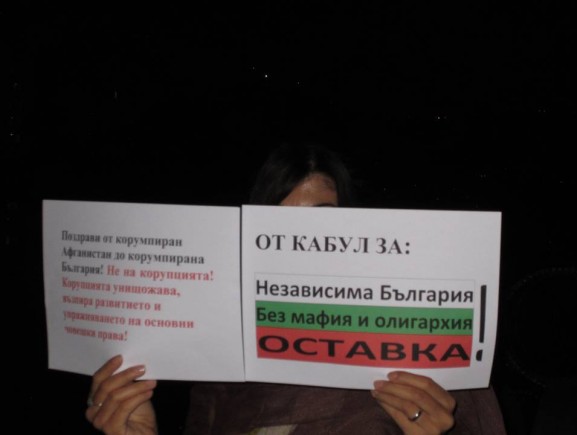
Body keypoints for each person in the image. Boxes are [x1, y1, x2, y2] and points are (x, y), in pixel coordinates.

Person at [86, 142, 507, 434]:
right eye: (278, 227)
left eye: (322, 222)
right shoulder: (222, 376)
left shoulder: (410, 351)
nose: (302, 245)